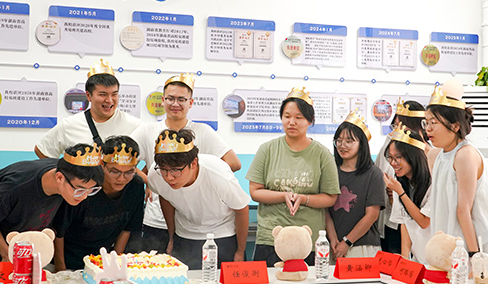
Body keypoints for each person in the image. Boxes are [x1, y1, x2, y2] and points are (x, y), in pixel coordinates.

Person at [130, 73, 240, 253]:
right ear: (163, 100)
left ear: (191, 102)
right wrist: (151, 181)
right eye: (170, 98)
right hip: (156, 219)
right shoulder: (148, 130)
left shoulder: (202, 131)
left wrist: (201, 180)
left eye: (181, 99)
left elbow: (233, 163)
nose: (175, 103)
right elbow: (123, 161)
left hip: (192, 225)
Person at [246, 88, 339, 266]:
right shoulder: (267, 150)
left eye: (299, 117)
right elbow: (255, 191)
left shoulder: (322, 154)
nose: (292, 122)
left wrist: (304, 198)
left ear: (310, 121)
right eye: (287, 116)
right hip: (271, 238)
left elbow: (330, 197)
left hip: (307, 240)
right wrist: (283, 195)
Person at [425, 83, 488, 276]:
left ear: (455, 126)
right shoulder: (436, 155)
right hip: (448, 243)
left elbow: (463, 209)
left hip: (475, 242)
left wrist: (474, 256)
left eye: (434, 123)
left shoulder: (465, 154)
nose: (428, 129)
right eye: (426, 122)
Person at [0, 143, 104, 263]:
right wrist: (6, 253)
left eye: (91, 190)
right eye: (80, 190)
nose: (84, 196)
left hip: (20, 243)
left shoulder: (67, 176)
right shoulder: (16, 186)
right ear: (59, 177)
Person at [147, 128, 249, 269]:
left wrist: (240, 251)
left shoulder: (218, 175)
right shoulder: (155, 174)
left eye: (176, 170)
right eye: (164, 170)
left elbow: (241, 209)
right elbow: (166, 198)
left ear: (194, 163)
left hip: (221, 235)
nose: (169, 177)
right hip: (184, 235)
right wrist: (171, 237)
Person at [326, 110, 386, 284]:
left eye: (349, 141)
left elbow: (372, 215)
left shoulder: (373, 174)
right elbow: (325, 209)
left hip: (362, 248)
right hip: (334, 249)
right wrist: (333, 240)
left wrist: (346, 242)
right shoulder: (330, 170)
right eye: (339, 141)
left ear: (362, 144)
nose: (343, 145)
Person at [54, 136, 145, 271]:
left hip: (101, 261)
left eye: (129, 172)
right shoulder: (86, 186)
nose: (121, 179)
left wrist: (114, 263)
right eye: (114, 171)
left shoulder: (135, 186)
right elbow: (58, 231)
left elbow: (127, 229)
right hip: (69, 260)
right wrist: (60, 268)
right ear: (102, 165)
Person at [34, 59, 140, 158]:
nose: (109, 100)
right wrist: (63, 170)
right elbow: (42, 150)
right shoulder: (70, 125)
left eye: (114, 94)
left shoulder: (134, 125)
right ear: (89, 96)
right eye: (103, 94)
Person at [375, 99, 428, 258]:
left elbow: (424, 221)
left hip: (424, 231)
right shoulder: (390, 143)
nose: (398, 131)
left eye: (403, 126)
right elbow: (379, 172)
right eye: (395, 126)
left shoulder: (430, 156)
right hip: (392, 220)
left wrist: (400, 193)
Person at [383, 124, 432, 266]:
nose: (393, 163)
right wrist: (405, 257)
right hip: (417, 258)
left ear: (413, 157)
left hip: (437, 257)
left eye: (398, 157)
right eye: (390, 158)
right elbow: (404, 222)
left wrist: (401, 193)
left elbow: (424, 222)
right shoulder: (400, 183)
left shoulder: (432, 181)